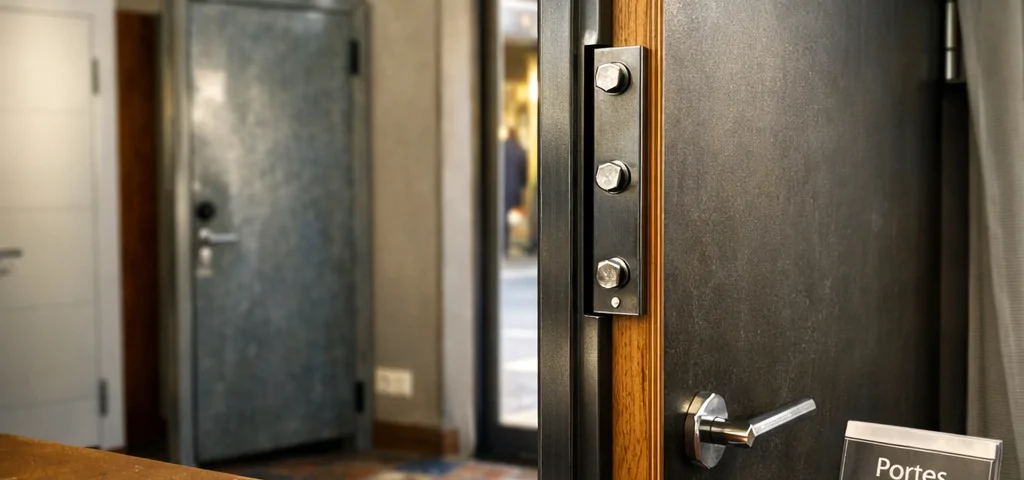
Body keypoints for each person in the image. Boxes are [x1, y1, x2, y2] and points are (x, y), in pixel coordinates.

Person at [503, 128, 528, 257]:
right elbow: (523, 173)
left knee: (502, 216)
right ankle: (507, 243)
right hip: (514, 188)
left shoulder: (500, 149)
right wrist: (523, 187)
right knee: (509, 217)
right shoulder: (519, 150)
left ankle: (503, 244)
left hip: (501, 188)